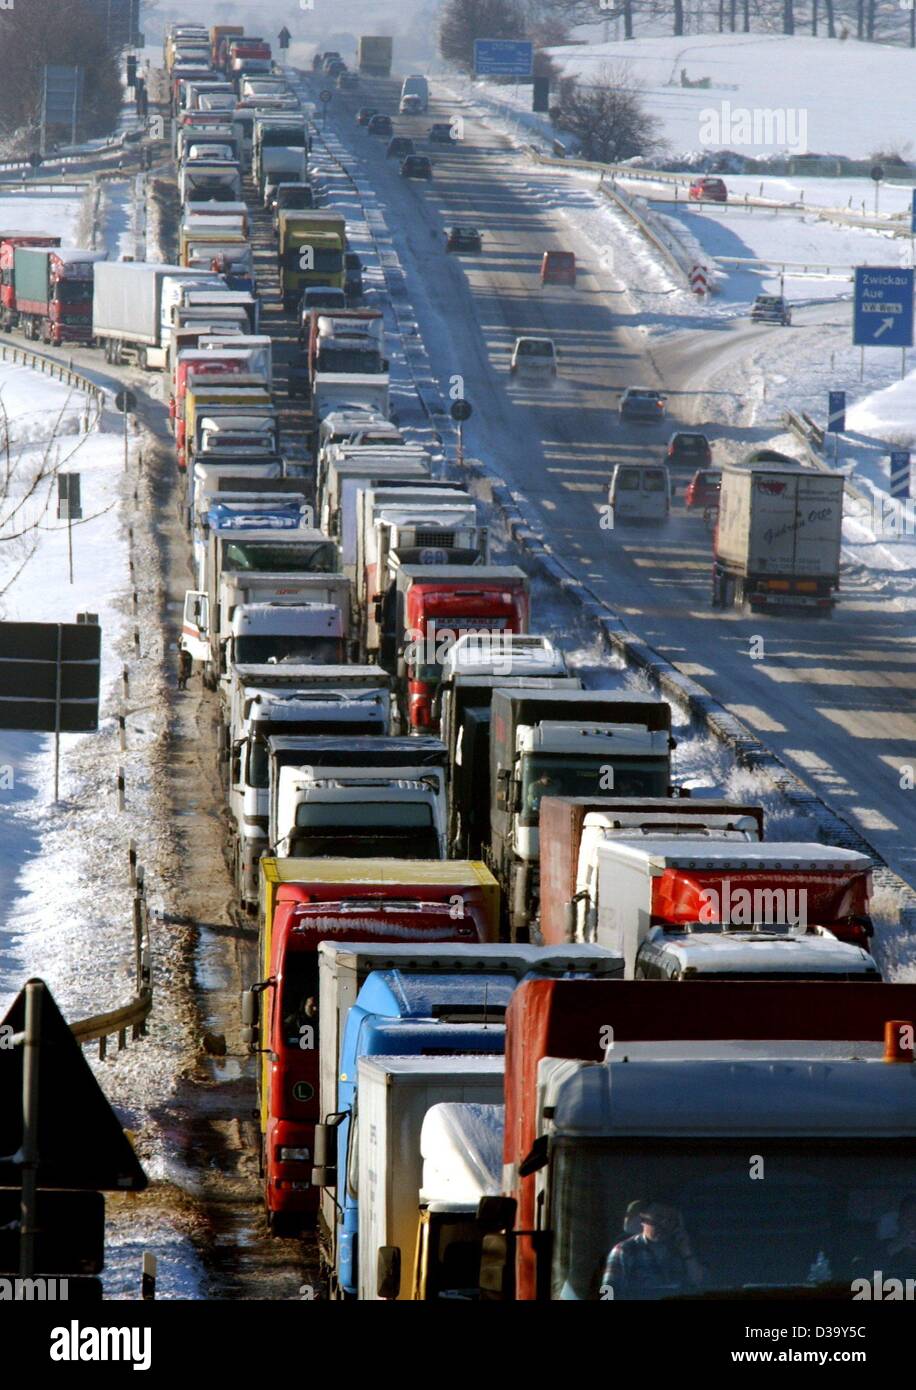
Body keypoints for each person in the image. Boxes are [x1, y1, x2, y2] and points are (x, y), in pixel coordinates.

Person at [603, 1201, 705, 1300]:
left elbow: (701, 1283)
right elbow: (608, 1292)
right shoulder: (624, 1250)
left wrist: (686, 1252)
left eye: (670, 1220)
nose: (664, 1225)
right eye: (658, 1217)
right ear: (643, 1220)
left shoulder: (681, 1249)